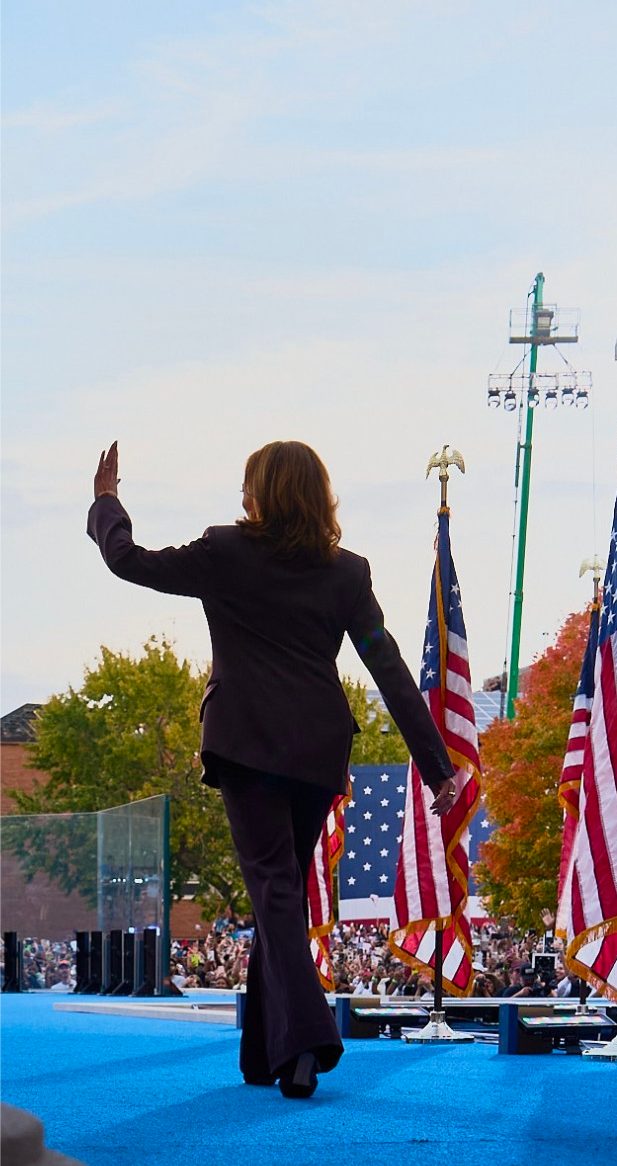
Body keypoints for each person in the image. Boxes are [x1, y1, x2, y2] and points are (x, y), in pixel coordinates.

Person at [88, 440, 455, 1098]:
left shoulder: (224, 551)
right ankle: (265, 1054)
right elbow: (388, 666)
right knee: (279, 891)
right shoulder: (347, 572)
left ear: (261, 492)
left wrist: (107, 501)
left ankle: (309, 1036)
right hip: (318, 750)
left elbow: (128, 561)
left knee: (276, 889)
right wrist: (437, 768)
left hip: (247, 743)